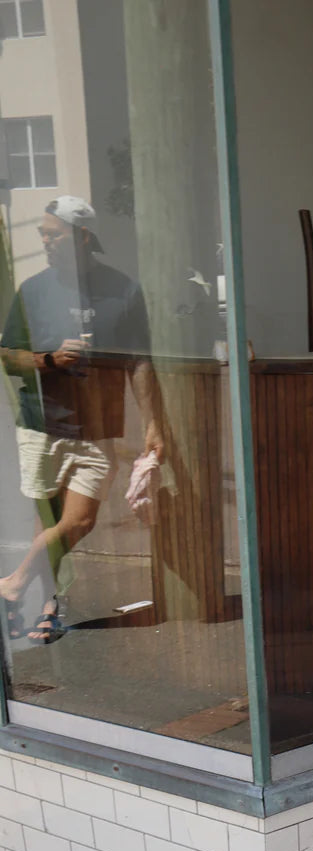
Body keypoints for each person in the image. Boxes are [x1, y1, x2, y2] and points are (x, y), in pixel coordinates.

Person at [0, 195, 163, 643]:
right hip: (42, 424)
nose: (46, 241)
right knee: (48, 522)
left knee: (79, 522)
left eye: (53, 235)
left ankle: (12, 585)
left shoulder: (123, 290)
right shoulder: (32, 290)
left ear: (82, 237)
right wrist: (50, 360)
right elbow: (9, 358)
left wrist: (153, 423)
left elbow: (140, 362)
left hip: (97, 427)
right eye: (44, 235)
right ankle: (50, 606)